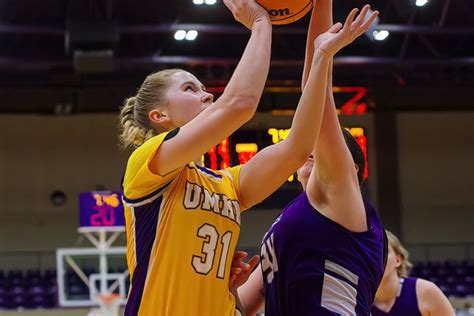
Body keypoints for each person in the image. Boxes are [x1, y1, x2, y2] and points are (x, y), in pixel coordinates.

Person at [118, 0, 372, 314]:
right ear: (159, 115)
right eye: (189, 89)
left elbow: (297, 146)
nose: (207, 94)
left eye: (203, 88)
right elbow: (239, 104)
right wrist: (260, 23)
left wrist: (322, 56)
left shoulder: (229, 184)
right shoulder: (146, 166)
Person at [234, 3, 386, 315]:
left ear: (352, 166)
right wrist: (228, 288)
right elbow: (242, 307)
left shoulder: (341, 195)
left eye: (328, 143)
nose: (318, 142)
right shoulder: (285, 223)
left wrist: (323, 15)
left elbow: (315, 93)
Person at [372, 230, 455, 316]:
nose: (377, 257)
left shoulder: (426, 291)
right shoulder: (359, 298)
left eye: (383, 251)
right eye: (372, 253)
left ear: (398, 260)